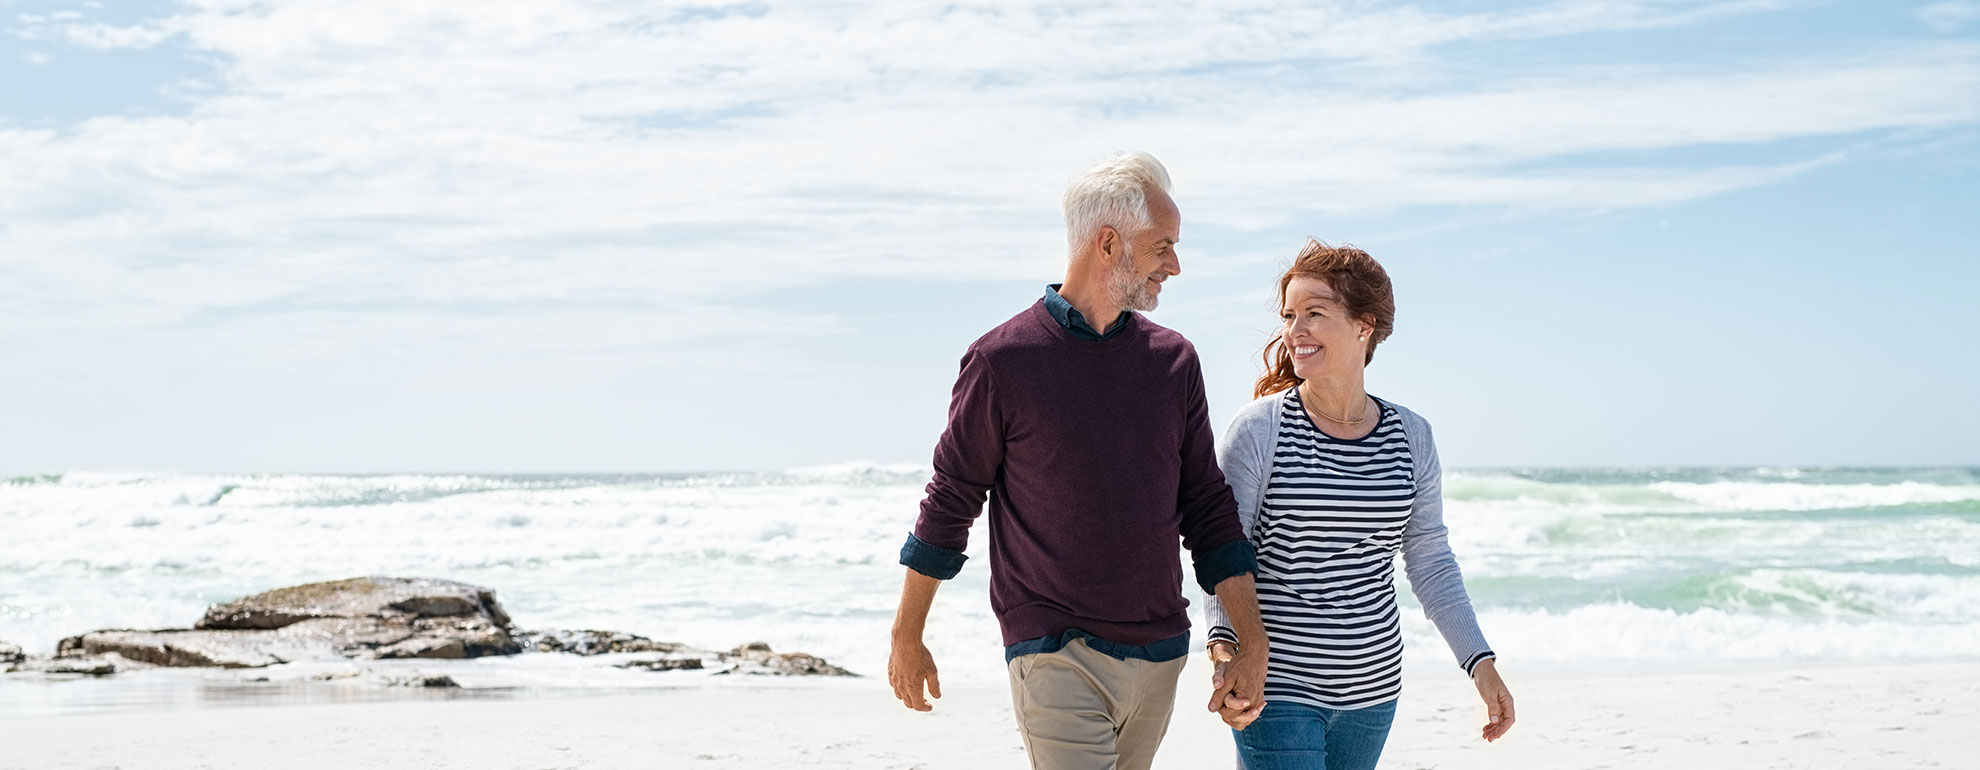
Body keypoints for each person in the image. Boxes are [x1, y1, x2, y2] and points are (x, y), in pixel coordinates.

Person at [887, 151, 1272, 770]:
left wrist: (1252, 641)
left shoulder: (1173, 362)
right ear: (1109, 243)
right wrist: (907, 633)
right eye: (1163, 246)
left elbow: (1207, 507)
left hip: (1161, 653)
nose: (1174, 265)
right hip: (1055, 649)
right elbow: (952, 497)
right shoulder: (1002, 361)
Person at [1200, 239, 1516, 770]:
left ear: (1363, 326)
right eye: (1289, 316)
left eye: (1314, 313)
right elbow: (1225, 553)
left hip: (1374, 693)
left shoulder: (1412, 436)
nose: (1295, 331)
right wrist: (1227, 653)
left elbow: (1431, 562)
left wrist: (1479, 663)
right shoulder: (1259, 430)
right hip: (1276, 687)